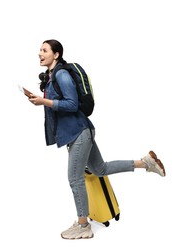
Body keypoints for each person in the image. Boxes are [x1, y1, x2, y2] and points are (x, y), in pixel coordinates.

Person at [28, 39, 166, 240]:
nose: (40, 53)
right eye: (39, 50)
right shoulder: (51, 76)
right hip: (80, 132)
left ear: (56, 54)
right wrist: (41, 99)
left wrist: (44, 102)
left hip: (79, 133)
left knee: (75, 179)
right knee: (99, 169)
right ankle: (145, 162)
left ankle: (83, 225)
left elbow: (72, 104)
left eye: (45, 50)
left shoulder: (62, 74)